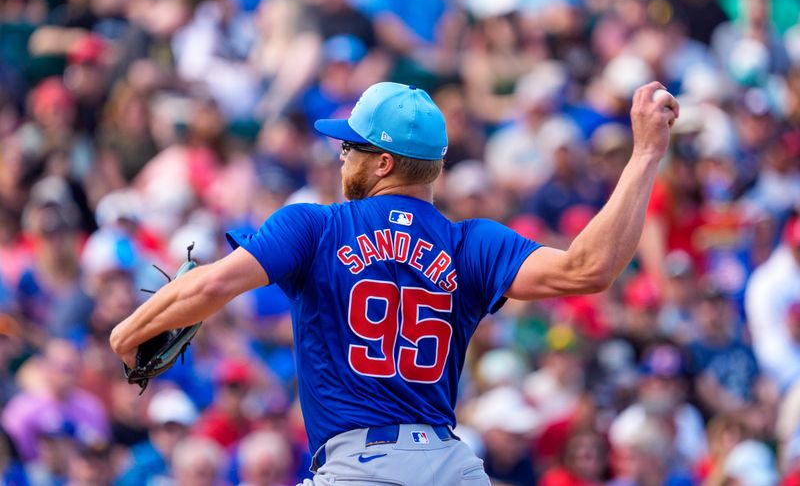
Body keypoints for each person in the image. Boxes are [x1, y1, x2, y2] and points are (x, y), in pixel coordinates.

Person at [110, 80, 677, 485]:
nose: (340, 157)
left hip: (359, 466)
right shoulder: (470, 243)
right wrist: (647, 153)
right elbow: (589, 269)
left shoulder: (315, 224)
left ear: (382, 162)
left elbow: (208, 288)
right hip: (448, 465)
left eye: (351, 147)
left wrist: (126, 332)